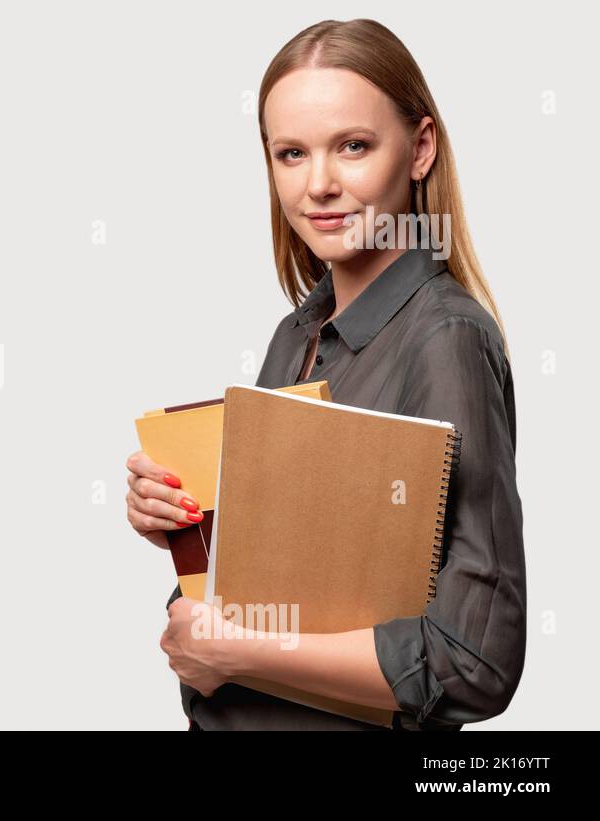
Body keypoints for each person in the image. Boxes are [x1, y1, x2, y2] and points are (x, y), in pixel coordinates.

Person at [124, 18, 526, 730]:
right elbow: (297, 582)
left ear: (420, 148)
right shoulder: (296, 336)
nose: (320, 185)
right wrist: (190, 527)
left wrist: (236, 651)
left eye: (353, 146)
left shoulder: (447, 340)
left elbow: (474, 660)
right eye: (290, 153)